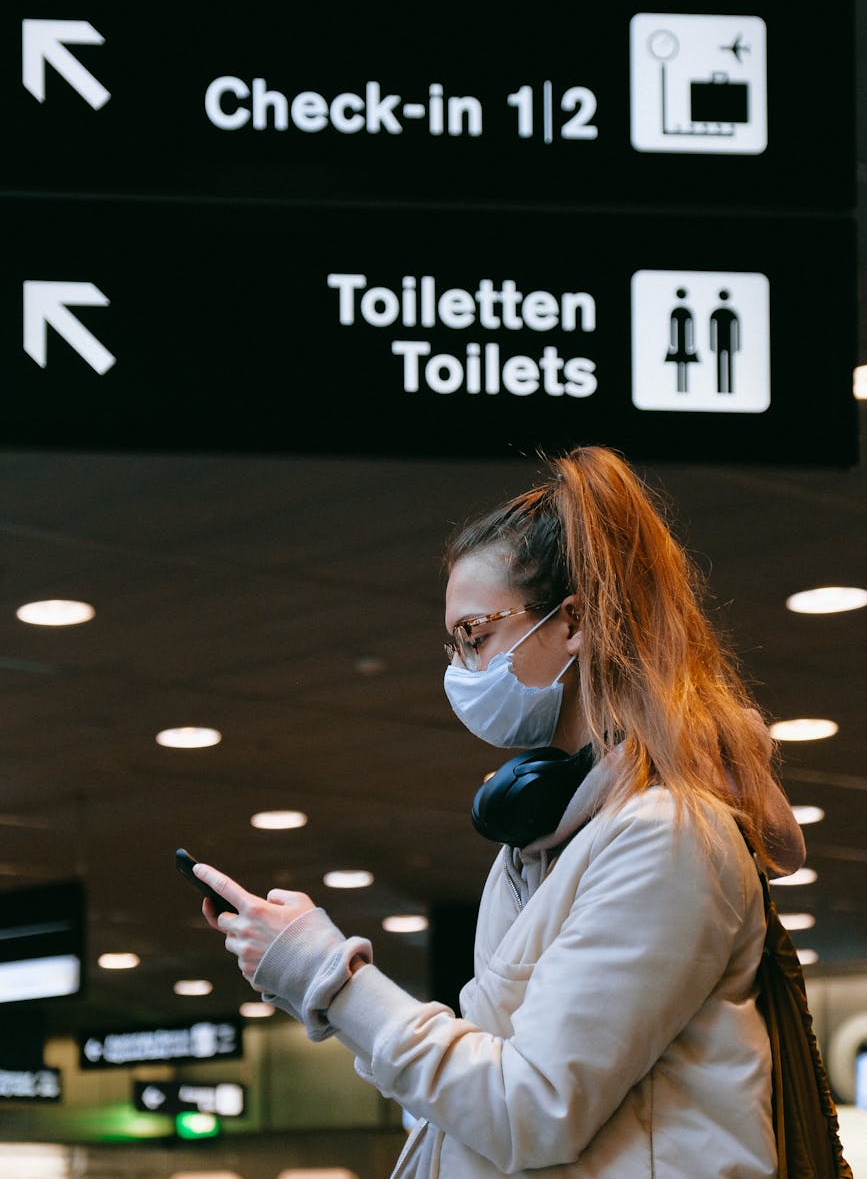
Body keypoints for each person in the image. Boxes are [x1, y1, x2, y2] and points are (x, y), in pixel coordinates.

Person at [196, 444, 806, 1178]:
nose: (461, 672)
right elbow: (476, 1097)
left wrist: (331, 977)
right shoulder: (547, 840)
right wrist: (309, 984)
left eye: (474, 638)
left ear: (573, 621)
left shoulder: (665, 837)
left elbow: (531, 1112)